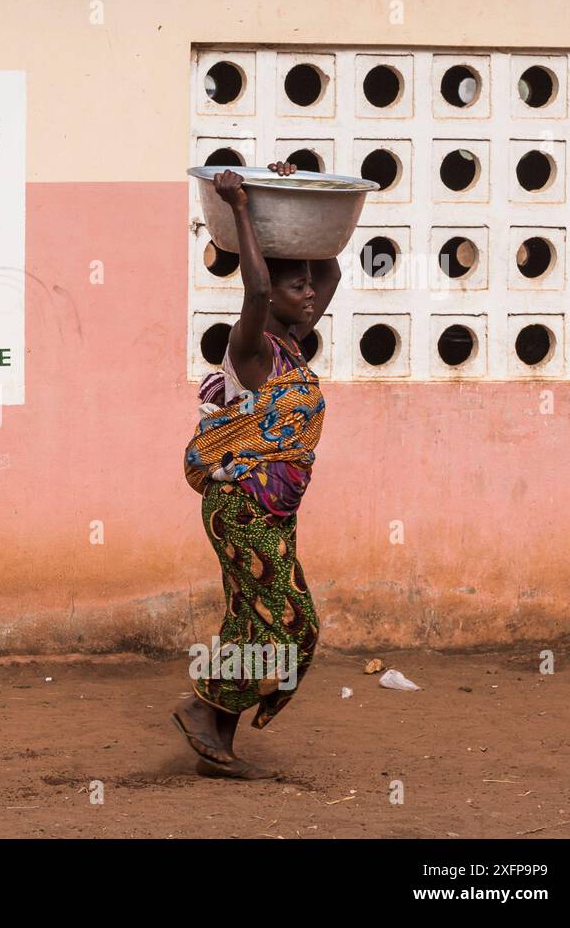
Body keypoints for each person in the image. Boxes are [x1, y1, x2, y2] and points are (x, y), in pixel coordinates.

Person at [172, 161, 339, 780]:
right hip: (240, 504)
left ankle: (216, 736)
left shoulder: (293, 345)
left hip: (270, 509)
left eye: (308, 288)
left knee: (252, 619)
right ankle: (200, 704)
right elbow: (256, 292)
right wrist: (243, 208)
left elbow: (333, 267)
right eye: (297, 288)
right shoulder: (252, 348)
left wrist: (300, 195)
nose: (310, 294)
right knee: (295, 624)